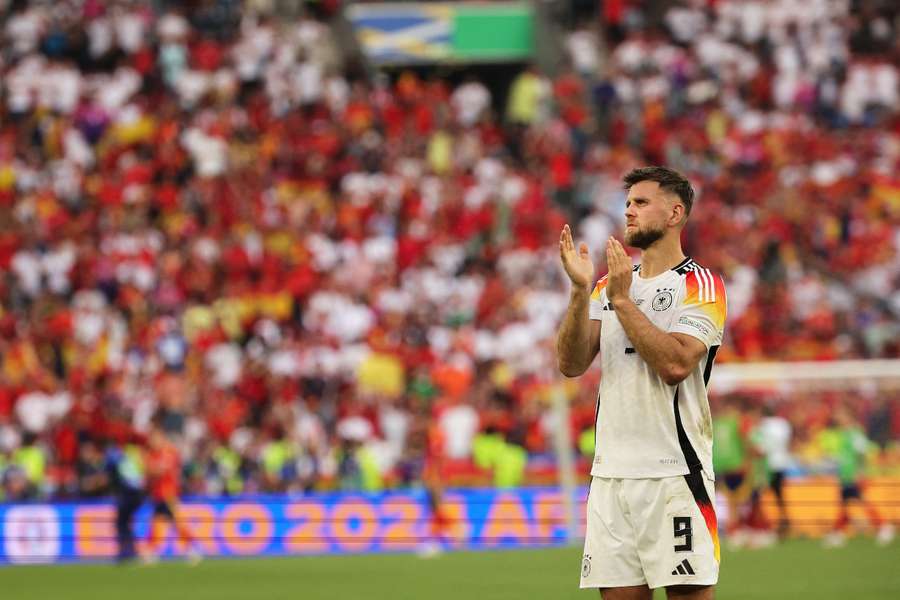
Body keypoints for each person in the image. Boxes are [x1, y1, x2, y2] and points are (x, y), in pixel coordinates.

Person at [557, 166, 727, 600]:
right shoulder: (605, 287)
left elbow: (676, 364)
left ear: (675, 214)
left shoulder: (700, 285)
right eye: (628, 202)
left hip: (673, 474)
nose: (628, 210)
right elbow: (571, 363)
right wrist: (580, 293)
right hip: (611, 476)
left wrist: (622, 300)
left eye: (641, 202)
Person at [820, 407, 895, 548]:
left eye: (840, 414)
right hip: (845, 474)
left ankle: (884, 526)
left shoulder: (854, 433)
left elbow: (863, 452)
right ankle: (838, 533)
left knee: (860, 502)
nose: (837, 417)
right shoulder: (844, 434)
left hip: (854, 475)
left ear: (848, 416)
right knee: (844, 504)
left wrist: (860, 472)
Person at [143, 420, 201, 564]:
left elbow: (158, 471)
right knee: (158, 521)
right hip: (157, 493)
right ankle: (152, 550)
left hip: (169, 493)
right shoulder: (153, 454)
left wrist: (151, 469)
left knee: (177, 521)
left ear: (161, 437)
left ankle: (190, 548)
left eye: (154, 437)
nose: (152, 441)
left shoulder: (169, 452)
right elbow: (148, 471)